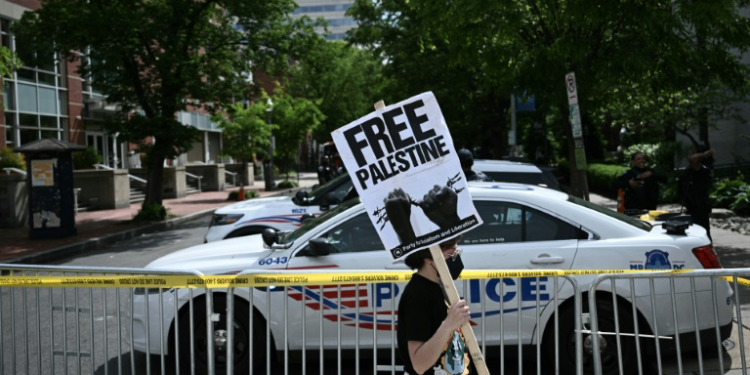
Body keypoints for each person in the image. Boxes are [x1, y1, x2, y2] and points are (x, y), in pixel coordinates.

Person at [398, 236, 472, 375]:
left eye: (457, 253)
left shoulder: (441, 286)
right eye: (450, 254)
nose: (454, 259)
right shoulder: (418, 295)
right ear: (429, 258)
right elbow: (419, 365)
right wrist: (449, 324)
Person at [683, 145, 715, 240]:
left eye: (694, 152)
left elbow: (693, 159)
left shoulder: (703, 168)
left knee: (702, 232)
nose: (692, 154)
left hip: (700, 205)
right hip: (691, 204)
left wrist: (705, 154)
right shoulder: (692, 169)